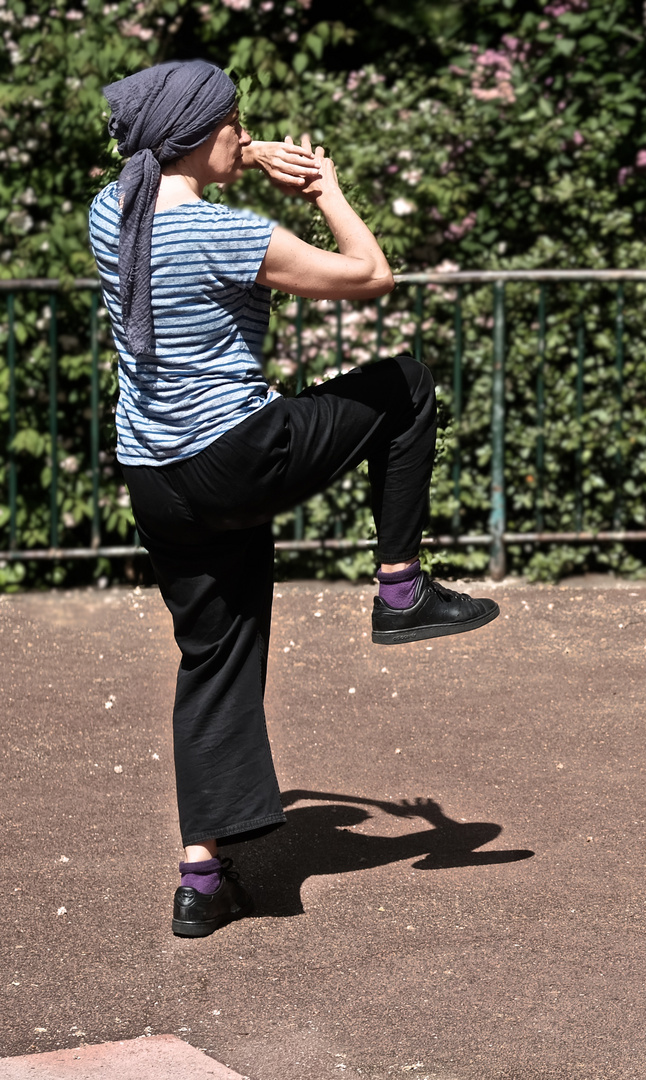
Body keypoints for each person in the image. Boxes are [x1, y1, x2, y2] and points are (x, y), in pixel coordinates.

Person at [90, 60, 500, 938]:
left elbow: (177, 195)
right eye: (235, 122)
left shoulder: (110, 214)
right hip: (235, 458)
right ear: (198, 134)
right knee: (406, 385)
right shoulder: (224, 234)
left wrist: (231, 160)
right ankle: (400, 587)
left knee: (214, 656)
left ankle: (202, 878)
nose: (246, 131)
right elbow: (369, 276)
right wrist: (327, 190)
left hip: (156, 480)